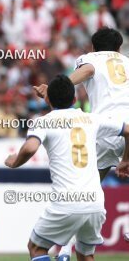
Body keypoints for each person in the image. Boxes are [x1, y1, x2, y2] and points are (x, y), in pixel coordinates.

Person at [6, 75, 129, 261]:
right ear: (74, 99)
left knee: (36, 248)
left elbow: (30, 147)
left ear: (48, 100)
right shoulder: (92, 119)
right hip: (95, 202)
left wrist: (14, 161)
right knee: (86, 255)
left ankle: (63, 253)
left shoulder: (43, 121)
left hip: (66, 201)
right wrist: (125, 159)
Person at [34, 27, 129, 256]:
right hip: (128, 127)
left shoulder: (90, 58)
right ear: (119, 48)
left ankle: (65, 248)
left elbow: (86, 72)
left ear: (94, 47)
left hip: (107, 129)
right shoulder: (126, 61)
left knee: (88, 187)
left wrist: (56, 88)